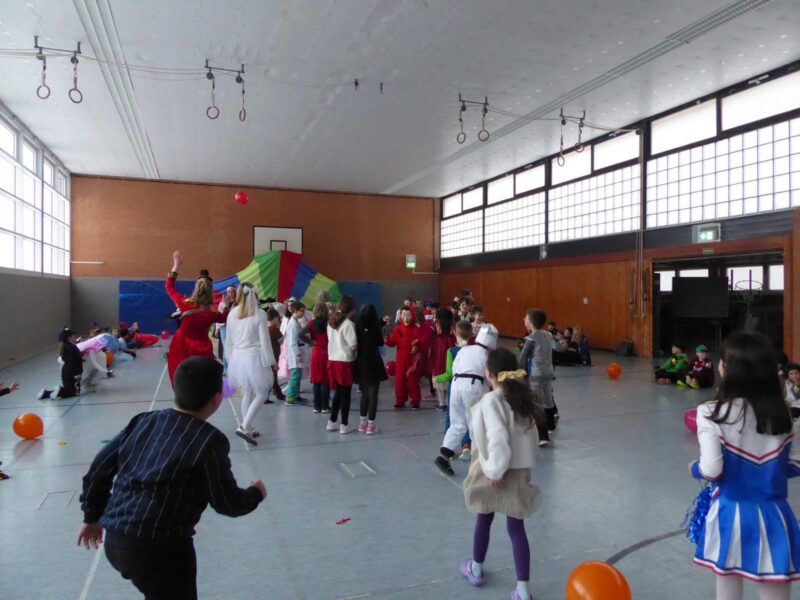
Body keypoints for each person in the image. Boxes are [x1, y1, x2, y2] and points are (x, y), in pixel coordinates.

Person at [77, 356, 266, 600]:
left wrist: (91, 515)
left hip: (116, 537)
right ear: (217, 399)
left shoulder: (144, 421)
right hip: (161, 547)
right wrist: (255, 494)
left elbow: (98, 469)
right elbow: (226, 502)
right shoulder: (209, 440)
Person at [689, 332, 800, 600]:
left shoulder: (710, 413)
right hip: (774, 513)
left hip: (729, 513)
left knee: (727, 589)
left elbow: (712, 470)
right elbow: (795, 465)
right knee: (775, 585)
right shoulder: (783, 415)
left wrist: (694, 468)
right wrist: (766, 471)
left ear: (726, 368)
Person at [459, 347, 542, 600]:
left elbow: (497, 439)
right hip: (519, 470)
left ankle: (476, 568)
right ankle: (523, 590)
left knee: (484, 517)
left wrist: (495, 471)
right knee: (516, 528)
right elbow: (533, 438)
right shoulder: (522, 399)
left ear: (489, 374)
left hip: (495, 472)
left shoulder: (491, 400)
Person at [435, 324, 498, 476]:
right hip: (473, 387)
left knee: (457, 423)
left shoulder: (465, 349)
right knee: (476, 424)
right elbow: (490, 378)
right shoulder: (487, 356)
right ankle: (479, 463)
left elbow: (454, 369)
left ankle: (444, 456)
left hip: (456, 386)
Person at [165, 250, 228, 384]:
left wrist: (175, 265)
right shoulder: (212, 312)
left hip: (182, 346)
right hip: (203, 350)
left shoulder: (185, 303)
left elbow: (169, 287)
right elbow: (224, 318)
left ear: (196, 288)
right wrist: (226, 306)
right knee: (201, 381)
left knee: (183, 381)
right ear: (210, 291)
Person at [225, 283, 276, 445]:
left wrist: (231, 360)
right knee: (262, 393)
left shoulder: (232, 314)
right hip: (255, 357)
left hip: (238, 357)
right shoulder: (260, 314)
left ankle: (248, 427)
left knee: (247, 392)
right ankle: (244, 426)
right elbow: (265, 341)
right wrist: (271, 361)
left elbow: (228, 341)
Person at [519, 310, 558, 446]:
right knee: (548, 399)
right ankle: (551, 426)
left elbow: (523, 359)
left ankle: (543, 436)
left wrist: (523, 378)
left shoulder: (531, 339)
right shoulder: (548, 335)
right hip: (548, 372)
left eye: (525, 318)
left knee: (537, 404)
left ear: (530, 322)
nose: (524, 320)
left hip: (536, 375)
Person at [437, 320, 474, 460]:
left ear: (455, 333)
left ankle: (449, 447)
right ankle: (466, 446)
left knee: (452, 417)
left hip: (455, 387)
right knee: (468, 416)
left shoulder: (451, 351)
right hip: (470, 386)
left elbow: (449, 373)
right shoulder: (473, 350)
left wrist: (437, 378)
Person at [354, 304, 388, 434]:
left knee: (364, 394)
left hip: (361, 361)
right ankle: (371, 425)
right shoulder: (375, 326)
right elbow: (380, 342)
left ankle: (362, 423)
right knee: (373, 394)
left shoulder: (357, 325)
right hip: (374, 361)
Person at [326, 296, 358, 434]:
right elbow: (353, 345)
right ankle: (344, 424)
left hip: (332, 360)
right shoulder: (348, 324)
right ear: (351, 309)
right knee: (346, 394)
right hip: (344, 362)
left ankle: (332, 421)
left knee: (338, 393)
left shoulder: (330, 322)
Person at [385, 307, 423, 409]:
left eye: (408, 316)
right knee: (400, 380)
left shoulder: (416, 329)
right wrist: (387, 340)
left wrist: (416, 345)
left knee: (413, 381)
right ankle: (400, 400)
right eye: (403, 316)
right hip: (401, 359)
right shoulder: (398, 329)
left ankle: (415, 400)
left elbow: (420, 342)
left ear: (412, 316)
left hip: (412, 360)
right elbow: (392, 342)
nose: (406, 319)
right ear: (401, 316)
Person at [300, 302, 331, 414]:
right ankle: (325, 406)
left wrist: (311, 342)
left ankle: (316, 406)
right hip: (327, 352)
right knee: (326, 380)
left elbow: (300, 335)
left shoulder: (311, 323)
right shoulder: (329, 323)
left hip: (316, 353)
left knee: (316, 381)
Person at [37, 327, 84, 400]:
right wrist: (77, 373)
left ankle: (46, 393)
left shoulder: (66, 346)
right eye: (72, 336)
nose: (74, 337)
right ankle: (59, 391)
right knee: (74, 393)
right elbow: (73, 360)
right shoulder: (70, 347)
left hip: (67, 372)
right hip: (72, 373)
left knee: (69, 390)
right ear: (68, 337)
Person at [430, 308, 456, 411]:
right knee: (451, 372)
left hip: (439, 348)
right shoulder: (453, 324)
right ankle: (450, 403)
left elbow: (430, 335)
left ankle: (441, 404)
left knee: (439, 373)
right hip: (451, 346)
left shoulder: (436, 324)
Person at [284, 301, 307, 404]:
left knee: (297, 376)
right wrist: (298, 354)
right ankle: (290, 397)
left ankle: (296, 395)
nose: (303, 313)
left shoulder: (296, 321)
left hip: (297, 353)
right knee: (295, 376)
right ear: (296, 311)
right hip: (295, 355)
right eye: (302, 311)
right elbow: (292, 342)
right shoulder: (293, 324)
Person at [265, 308, 285, 402]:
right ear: (275, 318)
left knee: (270, 375)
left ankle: (276, 393)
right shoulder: (274, 328)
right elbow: (281, 340)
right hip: (274, 354)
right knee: (273, 375)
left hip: (267, 354)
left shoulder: (265, 327)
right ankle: (274, 394)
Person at [216, 286, 236, 366]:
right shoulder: (222, 303)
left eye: (232, 291)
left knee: (231, 346)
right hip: (223, 326)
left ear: (235, 292)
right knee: (225, 346)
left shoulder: (236, 303)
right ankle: (226, 366)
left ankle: (231, 364)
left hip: (233, 327)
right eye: (229, 291)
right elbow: (219, 315)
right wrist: (217, 328)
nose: (230, 293)